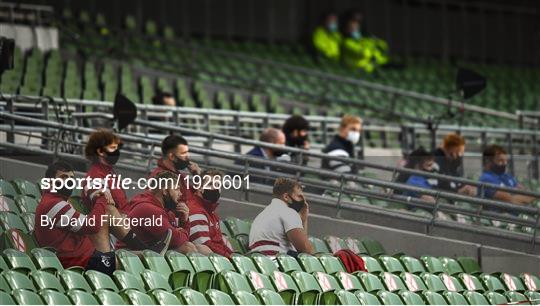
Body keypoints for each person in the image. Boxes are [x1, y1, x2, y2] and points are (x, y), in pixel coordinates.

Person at [35, 161, 163, 275]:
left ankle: (147, 251)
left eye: (71, 178)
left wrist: (99, 197)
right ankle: (148, 252)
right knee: (134, 262)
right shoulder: (54, 205)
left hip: (85, 255)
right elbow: (92, 226)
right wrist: (101, 197)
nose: (69, 181)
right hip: (78, 263)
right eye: (63, 177)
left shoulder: (55, 201)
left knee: (108, 211)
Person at [121, 171, 212, 254]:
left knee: (203, 249)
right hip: (129, 254)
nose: (180, 194)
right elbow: (176, 240)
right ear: (164, 191)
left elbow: (177, 239)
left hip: (148, 251)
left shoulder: (166, 211)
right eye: (176, 189)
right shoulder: (149, 209)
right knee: (187, 248)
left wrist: (183, 221)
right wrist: (183, 227)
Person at [248, 178, 314, 256]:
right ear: (286, 197)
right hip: (277, 262)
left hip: (261, 261)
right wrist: (305, 219)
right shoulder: (287, 211)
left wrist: (303, 219)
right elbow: (306, 250)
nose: (303, 201)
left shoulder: (264, 214)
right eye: (299, 196)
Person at [83, 129, 130, 215]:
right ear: (100, 151)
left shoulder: (110, 172)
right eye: (113, 148)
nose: (117, 151)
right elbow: (104, 207)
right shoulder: (95, 175)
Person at [186, 169, 233, 257]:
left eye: (218, 185)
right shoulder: (196, 211)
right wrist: (229, 257)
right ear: (199, 187)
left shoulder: (211, 213)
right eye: (210, 184)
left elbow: (218, 243)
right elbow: (204, 247)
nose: (215, 188)